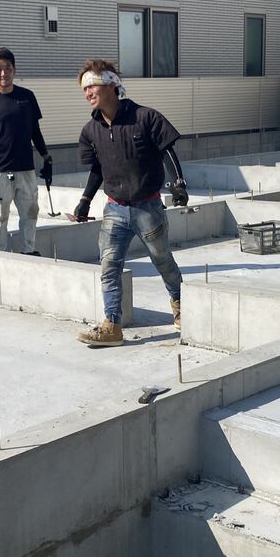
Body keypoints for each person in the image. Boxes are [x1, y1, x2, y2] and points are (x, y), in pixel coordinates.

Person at [71, 59, 189, 347]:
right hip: (115, 208)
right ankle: (111, 325)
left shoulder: (145, 117)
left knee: (163, 260)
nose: (88, 92)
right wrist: (85, 200)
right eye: (84, 88)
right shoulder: (91, 130)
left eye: (92, 85)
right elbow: (97, 169)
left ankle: (181, 306)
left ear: (112, 85)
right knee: (109, 266)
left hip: (148, 207)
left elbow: (167, 150)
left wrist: (178, 183)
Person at [0, 48, 52, 254]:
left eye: (8, 68)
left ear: (14, 70)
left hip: (25, 168)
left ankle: (29, 251)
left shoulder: (27, 97)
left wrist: (46, 158)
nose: (3, 73)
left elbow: (35, 131)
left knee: (30, 214)